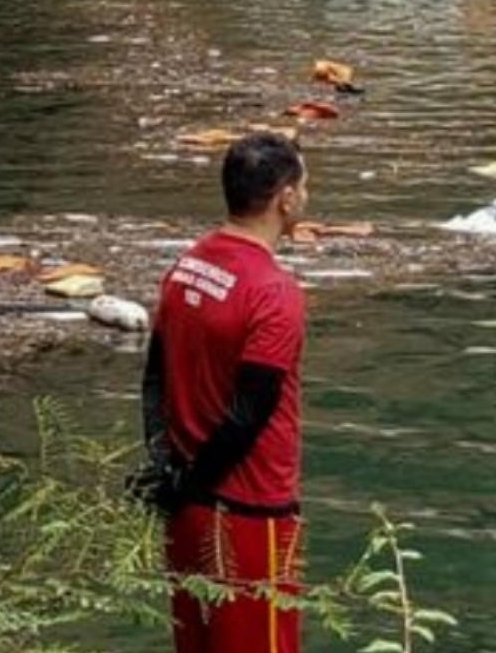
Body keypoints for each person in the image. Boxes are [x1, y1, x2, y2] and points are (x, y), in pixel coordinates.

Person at [140, 132, 311, 653]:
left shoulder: (188, 265)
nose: (306, 196)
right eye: (305, 185)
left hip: (187, 506)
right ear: (285, 198)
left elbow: (153, 379)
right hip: (249, 514)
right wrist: (193, 483)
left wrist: (165, 469)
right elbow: (249, 412)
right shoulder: (274, 291)